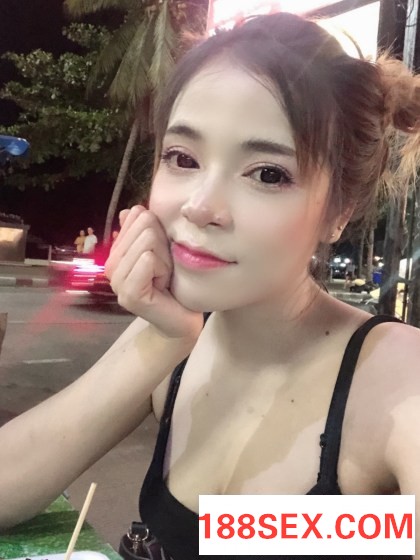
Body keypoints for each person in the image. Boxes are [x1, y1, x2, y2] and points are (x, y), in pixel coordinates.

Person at [0, 12, 419, 560]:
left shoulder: (398, 380)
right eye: (183, 158)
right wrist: (163, 342)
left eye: (268, 173)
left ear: (339, 211)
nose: (200, 206)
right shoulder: (175, 341)